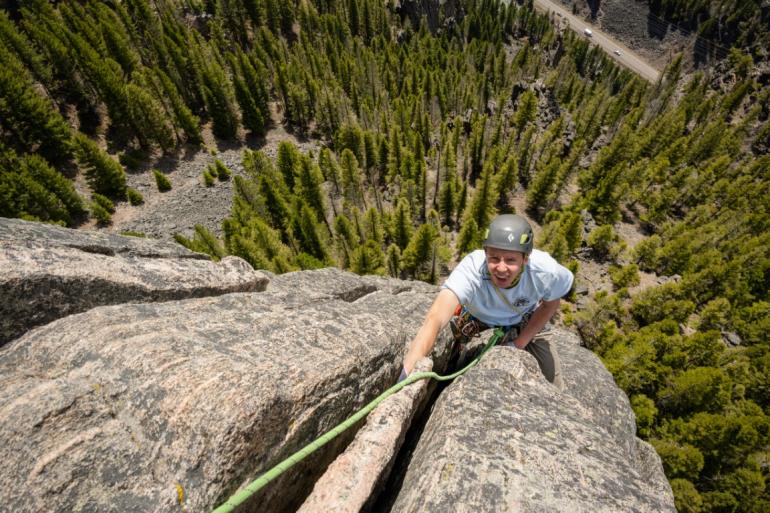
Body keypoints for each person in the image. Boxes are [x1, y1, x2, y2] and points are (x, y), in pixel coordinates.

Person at [400, 214, 574, 388]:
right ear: (485, 254)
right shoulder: (472, 270)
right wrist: (406, 373)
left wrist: (519, 343)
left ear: (525, 259)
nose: (501, 267)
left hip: (525, 318)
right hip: (477, 319)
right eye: (494, 258)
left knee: (554, 387)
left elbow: (550, 304)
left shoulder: (546, 272)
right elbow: (435, 319)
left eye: (511, 260)